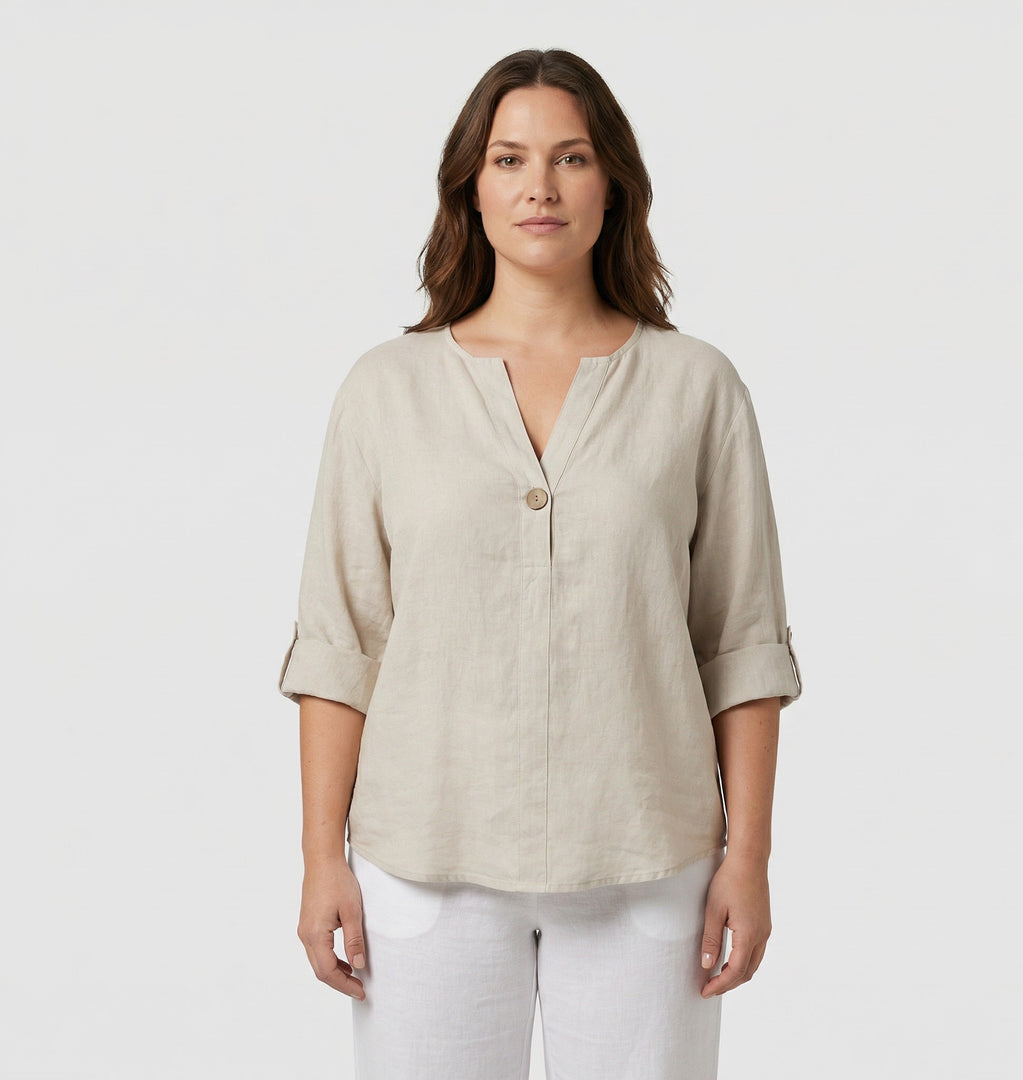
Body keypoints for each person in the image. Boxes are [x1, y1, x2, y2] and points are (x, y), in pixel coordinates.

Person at [277, 47, 803, 1080]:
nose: (541, 188)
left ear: (614, 185)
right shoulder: (385, 390)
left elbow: (740, 642)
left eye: (572, 157)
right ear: (470, 189)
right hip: (424, 864)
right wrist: (318, 859)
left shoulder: (697, 389)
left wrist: (748, 858)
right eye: (510, 159)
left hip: (646, 863)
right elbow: (343, 644)